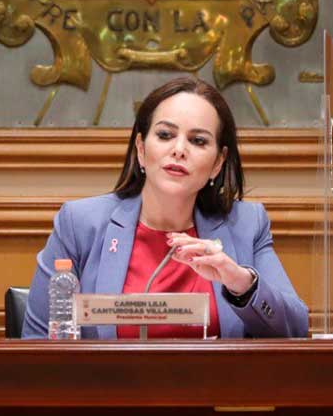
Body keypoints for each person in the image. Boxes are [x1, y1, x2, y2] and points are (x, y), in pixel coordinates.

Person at [22, 77, 308, 339]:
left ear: (218, 163)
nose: (179, 149)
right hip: (108, 381)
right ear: (141, 148)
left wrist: (240, 282)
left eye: (198, 141)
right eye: (165, 135)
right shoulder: (80, 223)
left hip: (215, 381)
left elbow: (295, 331)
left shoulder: (247, 224)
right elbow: (36, 345)